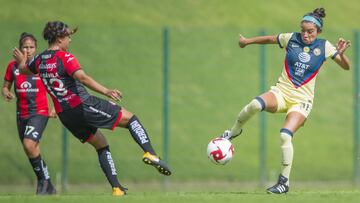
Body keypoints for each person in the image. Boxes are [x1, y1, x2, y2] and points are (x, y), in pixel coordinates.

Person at [13, 21, 171, 196]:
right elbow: (83, 78)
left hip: (66, 116)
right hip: (82, 105)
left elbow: (23, 70)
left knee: (101, 145)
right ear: (59, 38)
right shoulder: (65, 58)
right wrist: (106, 91)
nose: (70, 40)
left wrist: (22, 61)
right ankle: (150, 153)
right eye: (68, 36)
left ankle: (117, 188)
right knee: (131, 119)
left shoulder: (40, 60)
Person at [220, 8, 351, 194]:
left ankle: (283, 183)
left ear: (319, 31)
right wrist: (246, 42)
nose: (305, 35)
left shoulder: (325, 47)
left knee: (285, 135)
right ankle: (233, 132)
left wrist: (341, 53)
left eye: (310, 31)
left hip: (302, 101)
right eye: (303, 30)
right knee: (255, 104)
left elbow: (346, 67)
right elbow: (270, 39)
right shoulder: (291, 38)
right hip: (281, 93)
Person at [2, 32, 57, 195]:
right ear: (20, 48)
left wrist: (55, 106)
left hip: (39, 112)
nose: (28, 50)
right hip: (22, 114)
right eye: (25, 47)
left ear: (36, 49)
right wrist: (6, 92)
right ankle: (48, 185)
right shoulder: (12, 67)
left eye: (31, 47)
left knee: (28, 144)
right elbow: (6, 85)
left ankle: (43, 183)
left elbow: (53, 85)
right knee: (31, 149)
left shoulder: (41, 65)